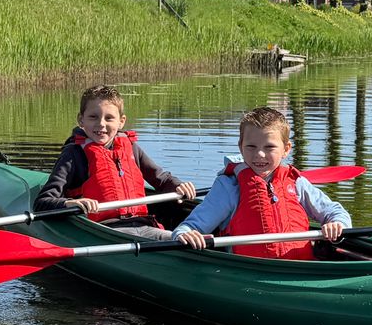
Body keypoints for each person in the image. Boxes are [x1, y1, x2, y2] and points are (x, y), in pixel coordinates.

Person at [172, 107, 351, 260]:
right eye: (251, 147)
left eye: (269, 147)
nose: (259, 154)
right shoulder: (228, 187)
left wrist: (337, 224)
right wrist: (185, 234)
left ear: (286, 149)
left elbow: (335, 212)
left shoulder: (297, 184)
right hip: (251, 270)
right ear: (240, 146)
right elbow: (191, 226)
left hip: (302, 268)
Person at [34, 84, 196, 239]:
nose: (101, 124)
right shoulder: (73, 154)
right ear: (81, 120)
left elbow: (162, 179)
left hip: (145, 227)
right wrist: (70, 204)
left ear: (121, 121)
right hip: (103, 231)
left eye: (109, 118)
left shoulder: (131, 148)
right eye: (93, 117)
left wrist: (178, 185)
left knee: (182, 239)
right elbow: (42, 202)